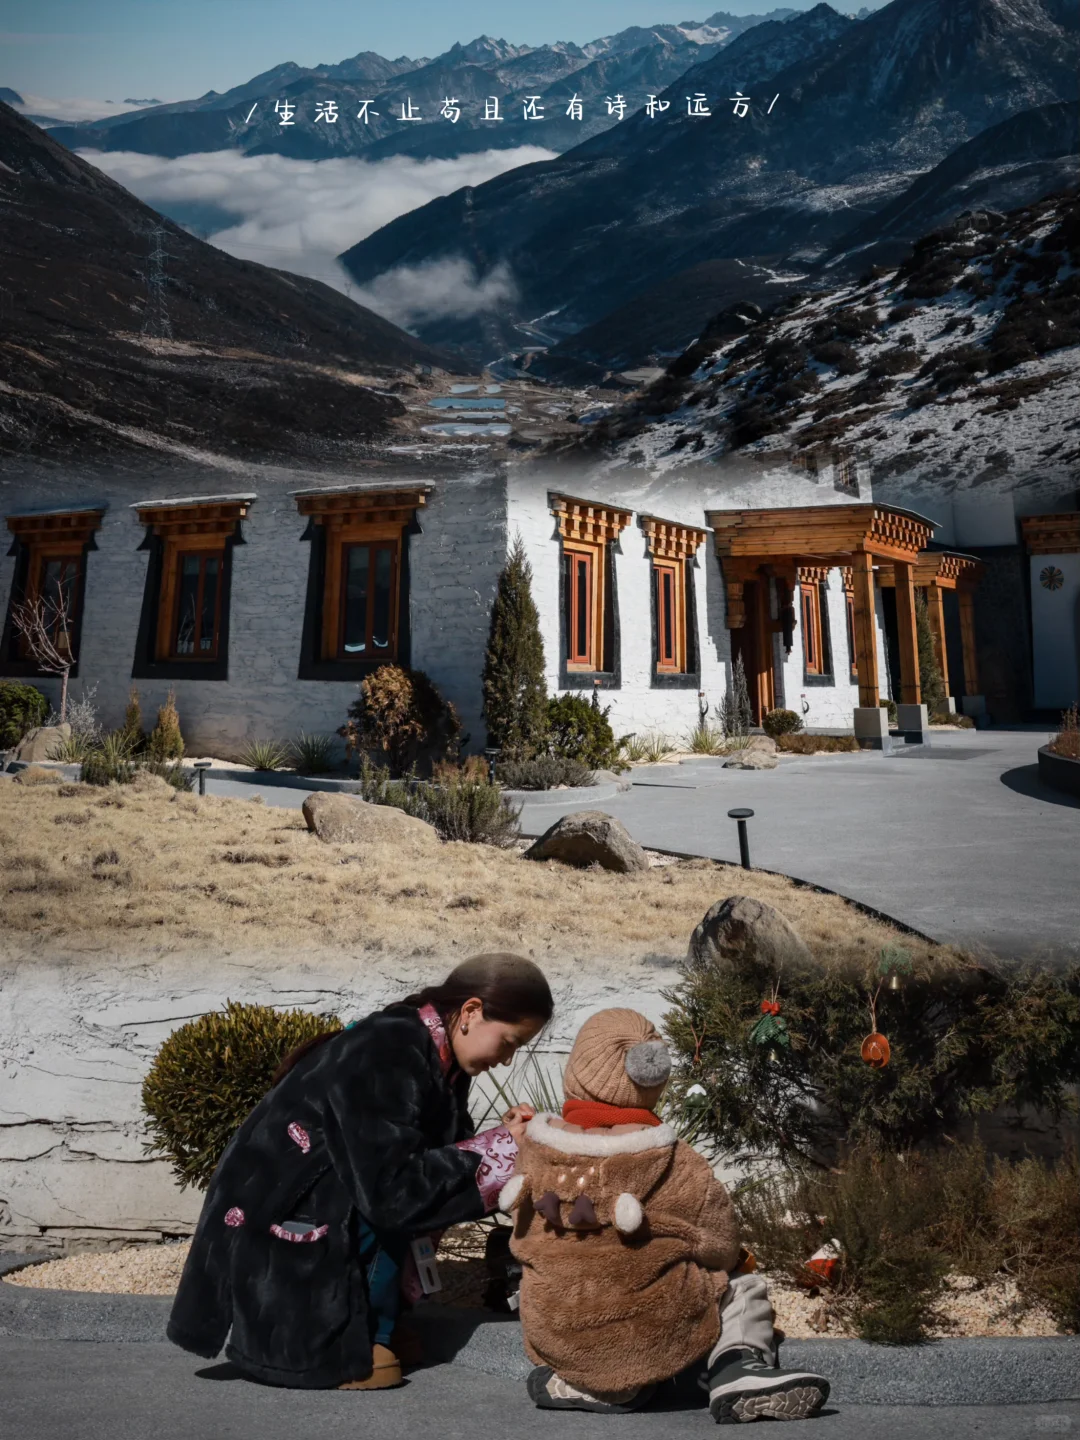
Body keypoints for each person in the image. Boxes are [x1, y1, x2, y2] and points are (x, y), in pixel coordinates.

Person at [166, 952, 553, 1390]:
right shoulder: (389, 1047)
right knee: (384, 1196)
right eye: (509, 1042)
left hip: (329, 1193)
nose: (505, 1060)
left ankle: (373, 1327)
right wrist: (501, 1150)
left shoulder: (436, 1051)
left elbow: (436, 1152)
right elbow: (390, 1187)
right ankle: (351, 1339)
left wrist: (503, 1137)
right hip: (285, 1208)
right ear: (471, 1012)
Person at [501, 1008, 830, 1423]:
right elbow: (722, 1246)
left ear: (578, 1068)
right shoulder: (676, 1161)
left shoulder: (534, 1153)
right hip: (649, 1338)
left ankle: (592, 1384)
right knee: (740, 1284)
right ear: (653, 1076)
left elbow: (521, 1239)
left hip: (557, 1331)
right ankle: (738, 1367)